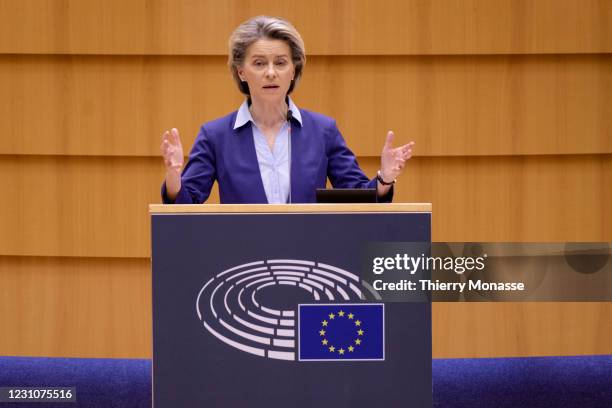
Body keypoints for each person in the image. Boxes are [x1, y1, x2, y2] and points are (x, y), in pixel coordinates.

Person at [161, 16, 414, 204]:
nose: (271, 72)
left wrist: (385, 178)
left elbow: (359, 198)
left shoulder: (323, 131)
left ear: (293, 70)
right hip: (244, 262)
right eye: (259, 63)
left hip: (307, 261)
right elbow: (186, 205)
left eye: (280, 63)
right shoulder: (215, 136)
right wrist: (174, 178)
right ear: (241, 71)